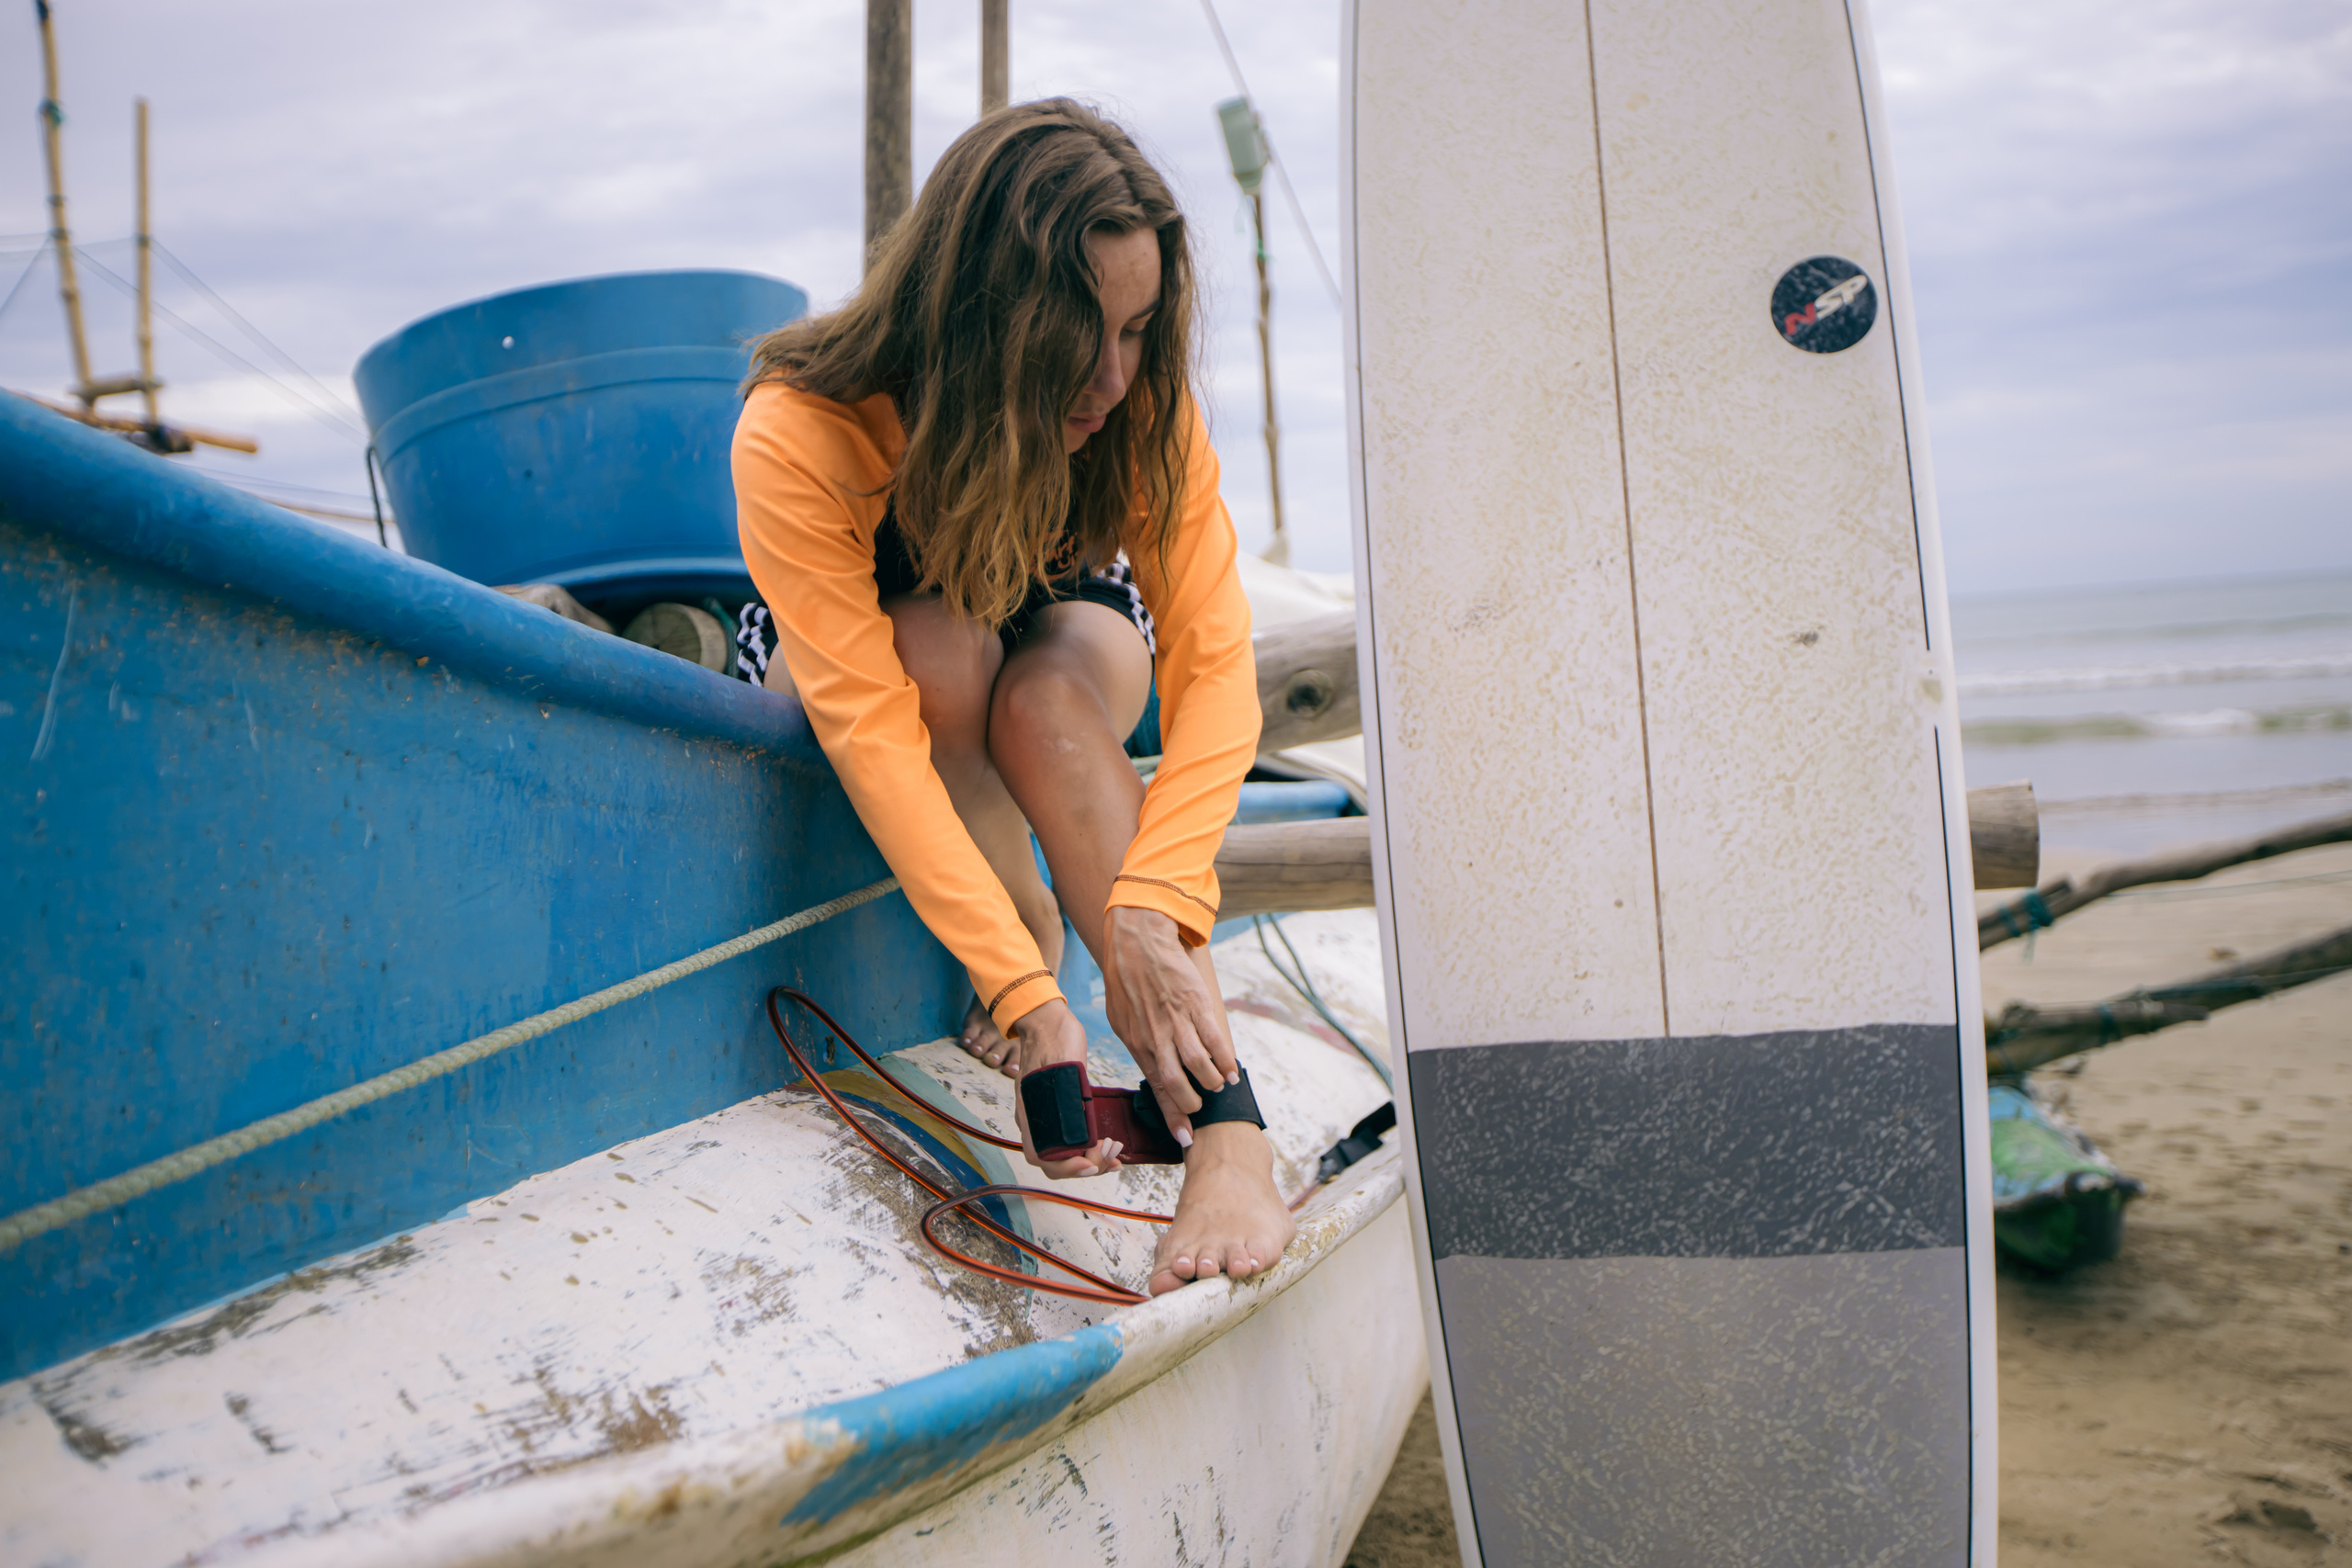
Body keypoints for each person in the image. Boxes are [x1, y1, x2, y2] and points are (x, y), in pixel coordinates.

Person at [731, 98, 1295, 1296]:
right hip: (882, 654)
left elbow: (1213, 670)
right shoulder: (799, 427)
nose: (1111, 375)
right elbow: (873, 735)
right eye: (1074, 336)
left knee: (1040, 702)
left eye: (1139, 329)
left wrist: (1155, 899)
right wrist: (1027, 993)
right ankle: (1027, 924)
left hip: (1053, 626)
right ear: (979, 316)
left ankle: (1232, 1130)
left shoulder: (1137, 410)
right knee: (937, 650)